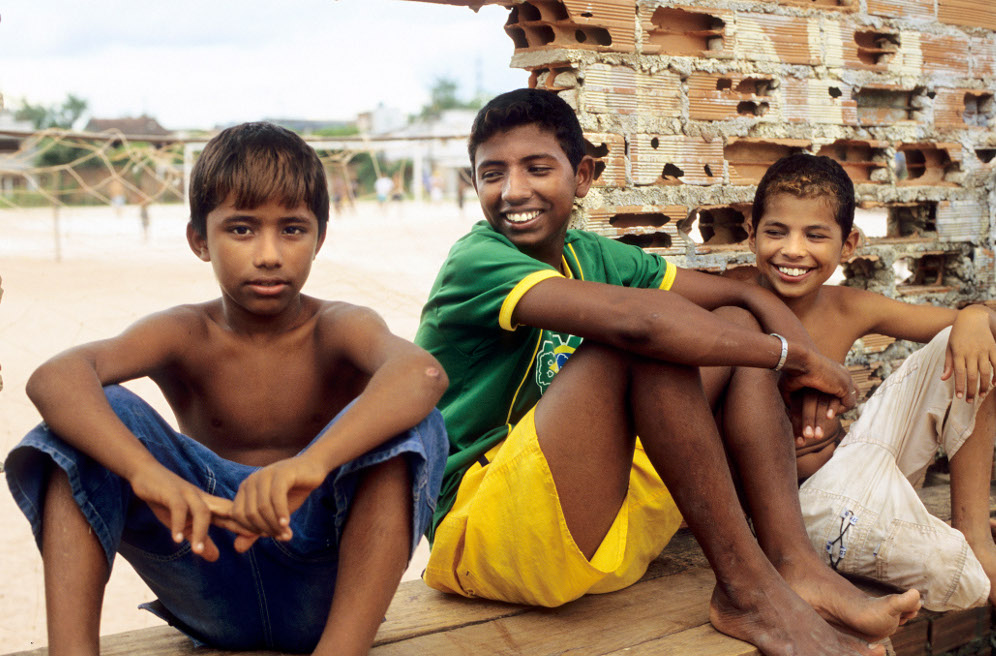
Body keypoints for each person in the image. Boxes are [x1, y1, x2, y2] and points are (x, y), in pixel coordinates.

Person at [414, 89, 920, 656]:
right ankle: (749, 593)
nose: (514, 191)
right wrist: (796, 359)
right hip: (489, 538)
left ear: (582, 176)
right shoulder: (475, 260)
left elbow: (740, 295)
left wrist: (802, 365)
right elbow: (644, 325)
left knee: (727, 324)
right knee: (644, 336)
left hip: (595, 529)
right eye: (492, 174)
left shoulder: (593, 254)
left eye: (537, 168)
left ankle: (793, 564)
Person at [4, 122, 449, 656]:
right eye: (241, 230)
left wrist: (312, 463)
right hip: (206, 571)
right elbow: (54, 378)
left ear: (319, 238)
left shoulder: (339, 327)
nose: (268, 254)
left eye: (292, 230)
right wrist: (147, 476)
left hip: (324, 591)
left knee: (413, 421)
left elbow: (423, 374)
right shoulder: (184, 332)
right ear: (200, 241)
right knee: (83, 424)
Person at [734, 152, 996, 611]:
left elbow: (968, 327)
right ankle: (945, 548)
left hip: (860, 462)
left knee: (974, 341)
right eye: (776, 231)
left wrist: (974, 315)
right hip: (803, 512)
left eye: (815, 235)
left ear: (849, 243)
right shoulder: (729, 298)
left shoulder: (847, 306)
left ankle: (973, 529)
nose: (793, 250)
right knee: (957, 575)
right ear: (751, 233)